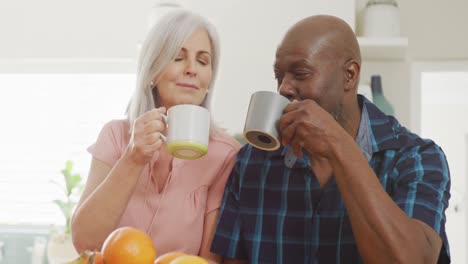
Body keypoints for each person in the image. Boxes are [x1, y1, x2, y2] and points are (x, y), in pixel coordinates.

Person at [211, 15, 451, 263]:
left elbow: (413, 260)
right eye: (279, 76)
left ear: (349, 75)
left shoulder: (417, 158)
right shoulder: (250, 162)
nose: (284, 88)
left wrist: (337, 145)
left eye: (300, 73)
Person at [71, 9, 240, 263]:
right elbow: (85, 242)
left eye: (203, 61)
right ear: (153, 70)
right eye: (178, 57)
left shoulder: (226, 154)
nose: (192, 69)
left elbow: (208, 261)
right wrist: (133, 158)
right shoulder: (116, 136)